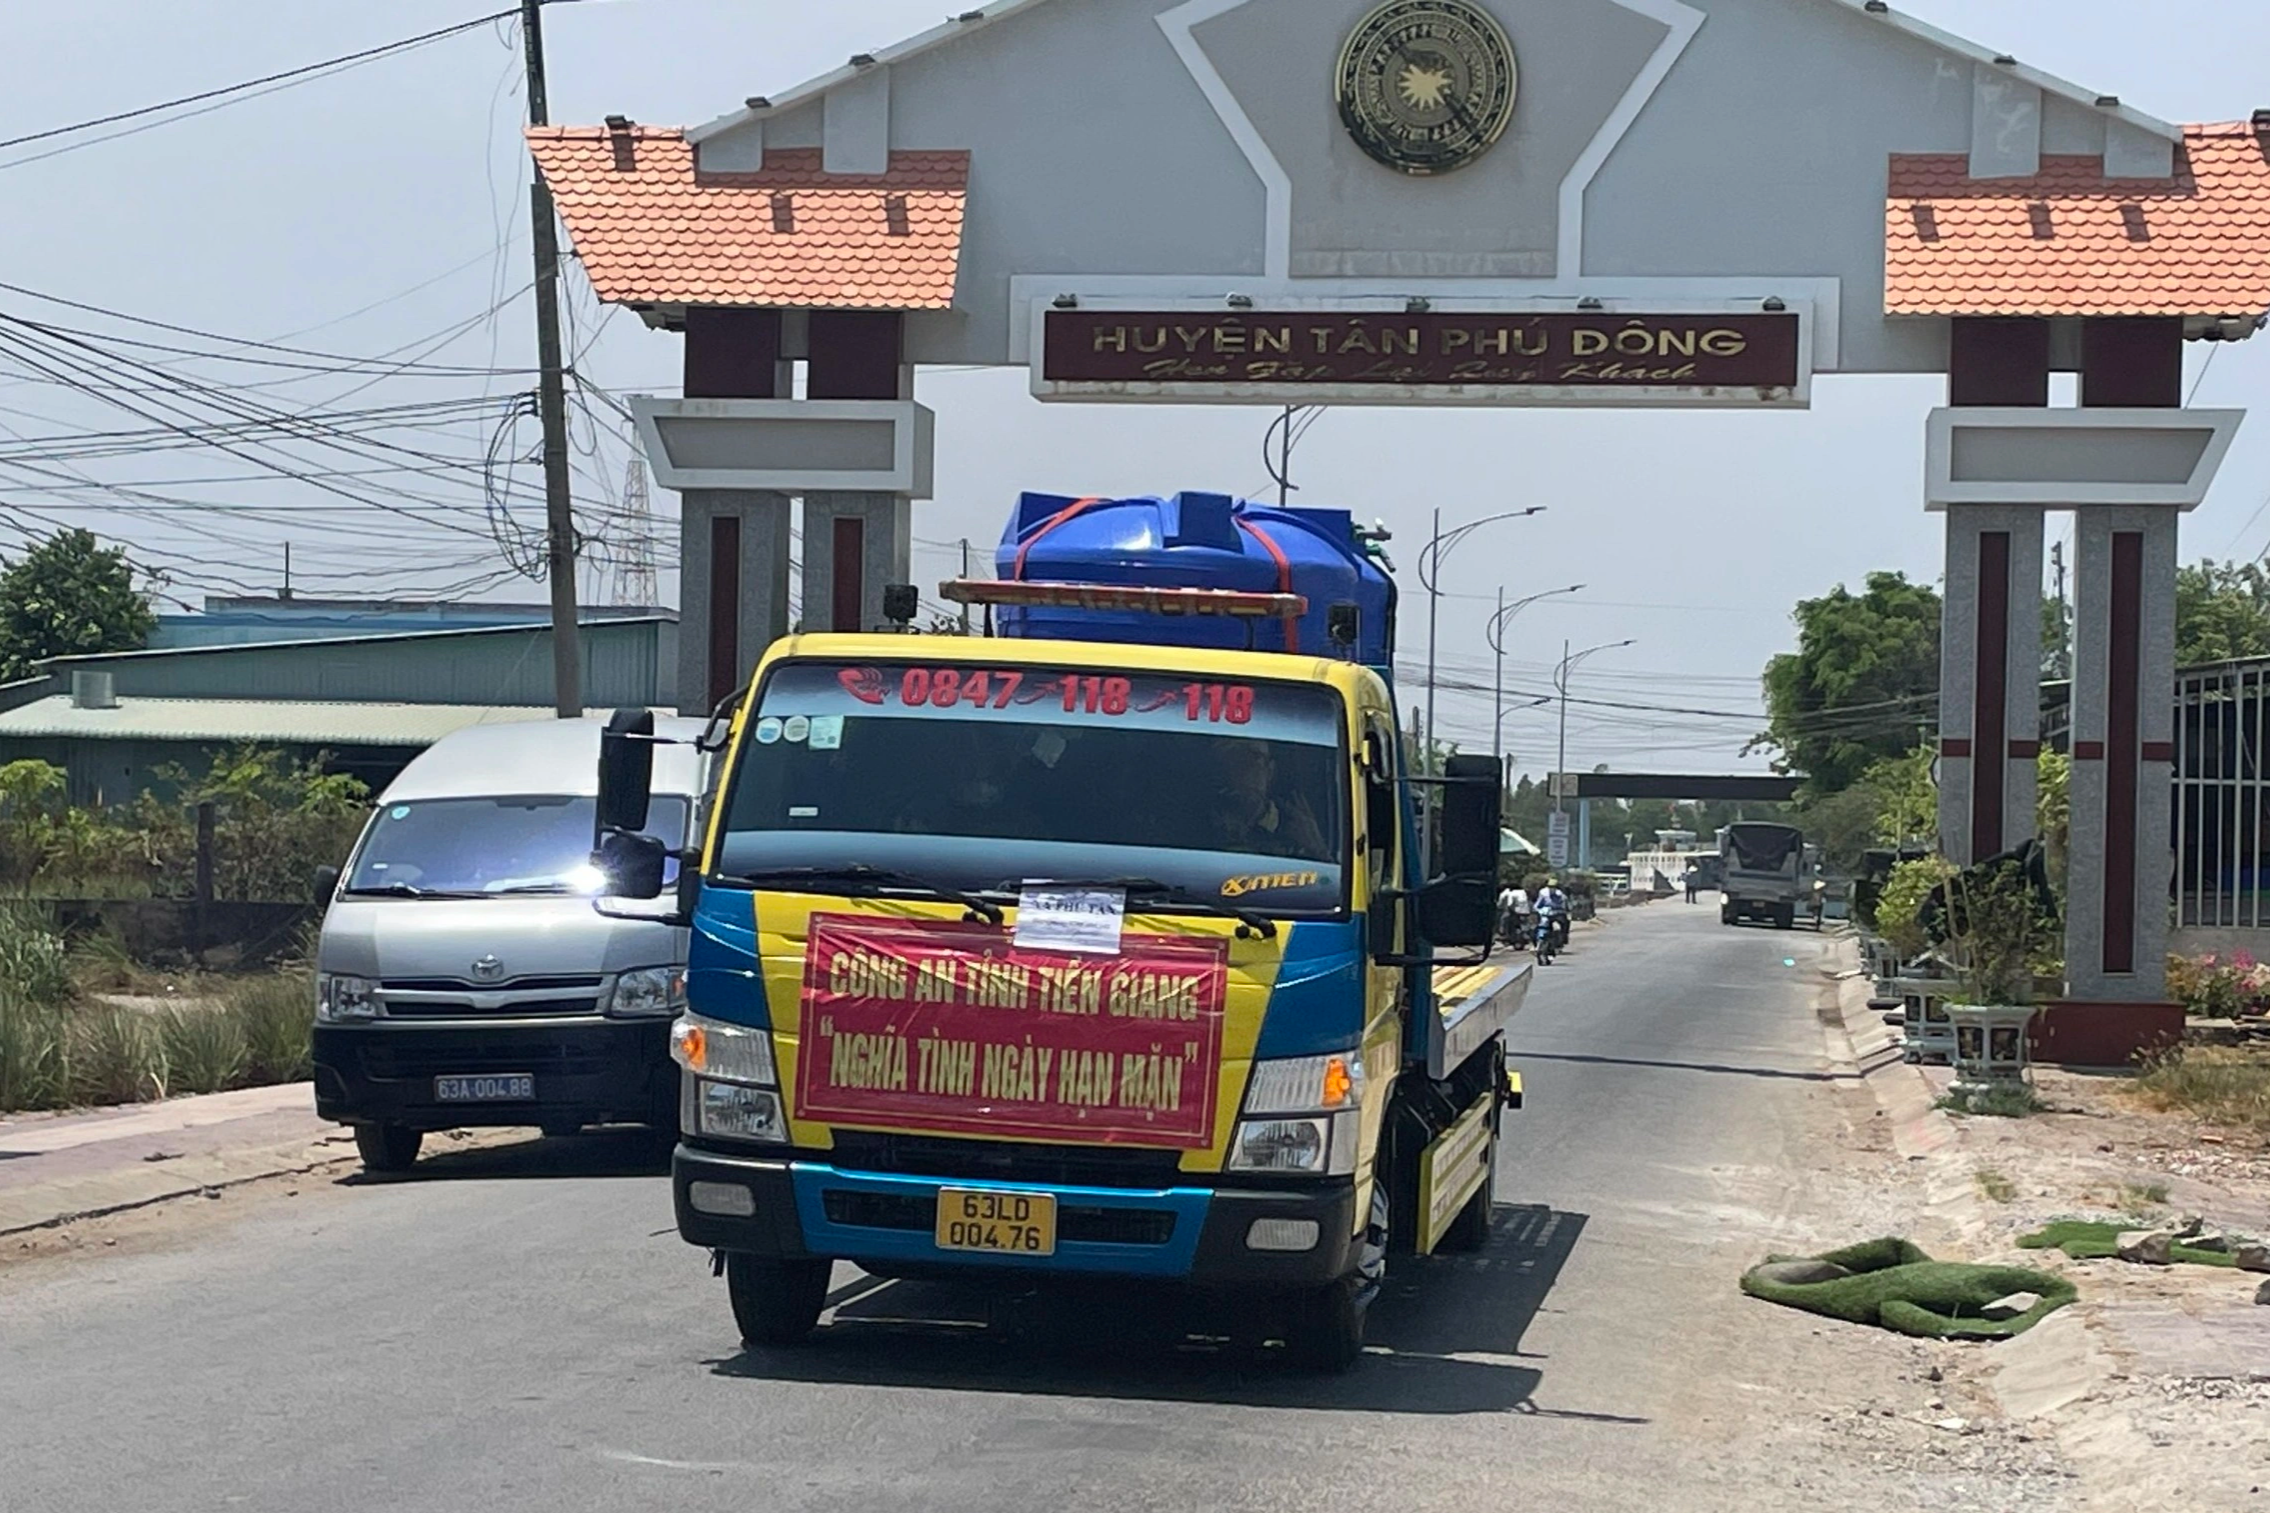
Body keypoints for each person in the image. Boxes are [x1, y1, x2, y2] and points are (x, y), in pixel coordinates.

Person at [1205, 740, 1327, 858]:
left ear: (1270, 769)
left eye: (1253, 758)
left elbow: (1327, 876)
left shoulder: (1298, 827)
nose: (1243, 770)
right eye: (1233, 757)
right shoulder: (1199, 821)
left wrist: (1315, 849)